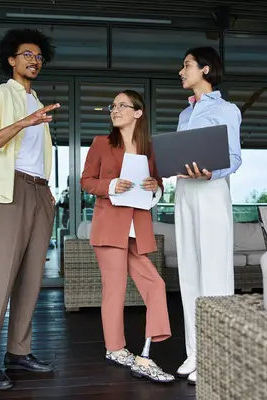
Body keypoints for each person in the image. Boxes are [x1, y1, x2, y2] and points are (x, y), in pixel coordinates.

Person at [0, 28, 61, 390]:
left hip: (40, 193)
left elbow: (38, 155)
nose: (34, 61)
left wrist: (49, 193)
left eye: (39, 57)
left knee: (31, 278)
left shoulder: (37, 99)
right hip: (12, 192)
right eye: (27, 55)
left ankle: (18, 352)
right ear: (11, 59)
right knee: (0, 277)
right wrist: (23, 122)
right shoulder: (0, 94)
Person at [80, 90, 175, 384]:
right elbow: (86, 181)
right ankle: (115, 349)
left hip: (137, 230)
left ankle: (146, 352)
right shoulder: (101, 144)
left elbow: (158, 185)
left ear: (138, 112)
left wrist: (154, 187)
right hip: (109, 228)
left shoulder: (149, 149)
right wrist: (110, 186)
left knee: (156, 285)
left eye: (123, 105)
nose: (115, 110)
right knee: (115, 290)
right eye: (113, 106)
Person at [174, 46, 242, 385]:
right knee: (189, 273)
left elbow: (233, 157)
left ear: (205, 69)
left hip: (212, 191)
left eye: (186, 65)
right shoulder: (185, 115)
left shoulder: (227, 109)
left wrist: (210, 173)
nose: (181, 71)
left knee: (214, 274)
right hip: (184, 191)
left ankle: (217, 356)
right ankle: (195, 353)